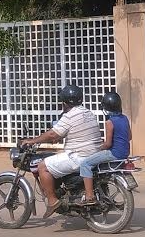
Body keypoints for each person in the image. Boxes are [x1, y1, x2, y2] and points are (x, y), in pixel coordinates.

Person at [21, 84, 102, 218]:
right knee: (57, 158)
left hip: (79, 156)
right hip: (93, 154)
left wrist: (33, 141)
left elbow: (53, 135)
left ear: (64, 102)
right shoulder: (88, 113)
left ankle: (52, 201)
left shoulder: (69, 115)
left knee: (43, 167)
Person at [75, 90, 131, 206]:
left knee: (85, 164)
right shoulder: (125, 118)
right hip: (125, 153)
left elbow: (108, 144)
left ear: (105, 107)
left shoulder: (109, 122)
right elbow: (129, 136)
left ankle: (89, 196)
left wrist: (98, 148)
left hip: (114, 153)